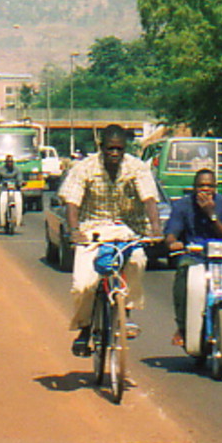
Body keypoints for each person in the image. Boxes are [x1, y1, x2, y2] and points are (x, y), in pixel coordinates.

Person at [59, 124, 161, 355]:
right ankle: (85, 328)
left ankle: (128, 312)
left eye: (119, 149)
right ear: (101, 147)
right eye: (110, 149)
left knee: (137, 262)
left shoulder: (136, 167)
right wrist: (74, 230)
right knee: (83, 285)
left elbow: (149, 199)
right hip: (92, 231)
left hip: (129, 229)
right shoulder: (84, 168)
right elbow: (72, 202)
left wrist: (155, 227)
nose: (114, 154)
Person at [163, 167, 222, 348]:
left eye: (209, 186)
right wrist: (172, 242)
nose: (205, 190)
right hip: (196, 256)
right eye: (201, 186)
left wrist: (211, 215)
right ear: (194, 187)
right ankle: (183, 327)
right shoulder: (183, 206)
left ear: (215, 188)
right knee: (184, 276)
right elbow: (172, 232)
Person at [0, 153, 24, 228]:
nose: (9, 163)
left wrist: (20, 183)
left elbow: (20, 178)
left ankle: (19, 217)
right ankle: (0, 218)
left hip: (15, 190)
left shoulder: (17, 170)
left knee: (21, 200)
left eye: (11, 162)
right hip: (3, 190)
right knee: (0, 201)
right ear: (5, 162)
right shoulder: (0, 169)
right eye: (8, 162)